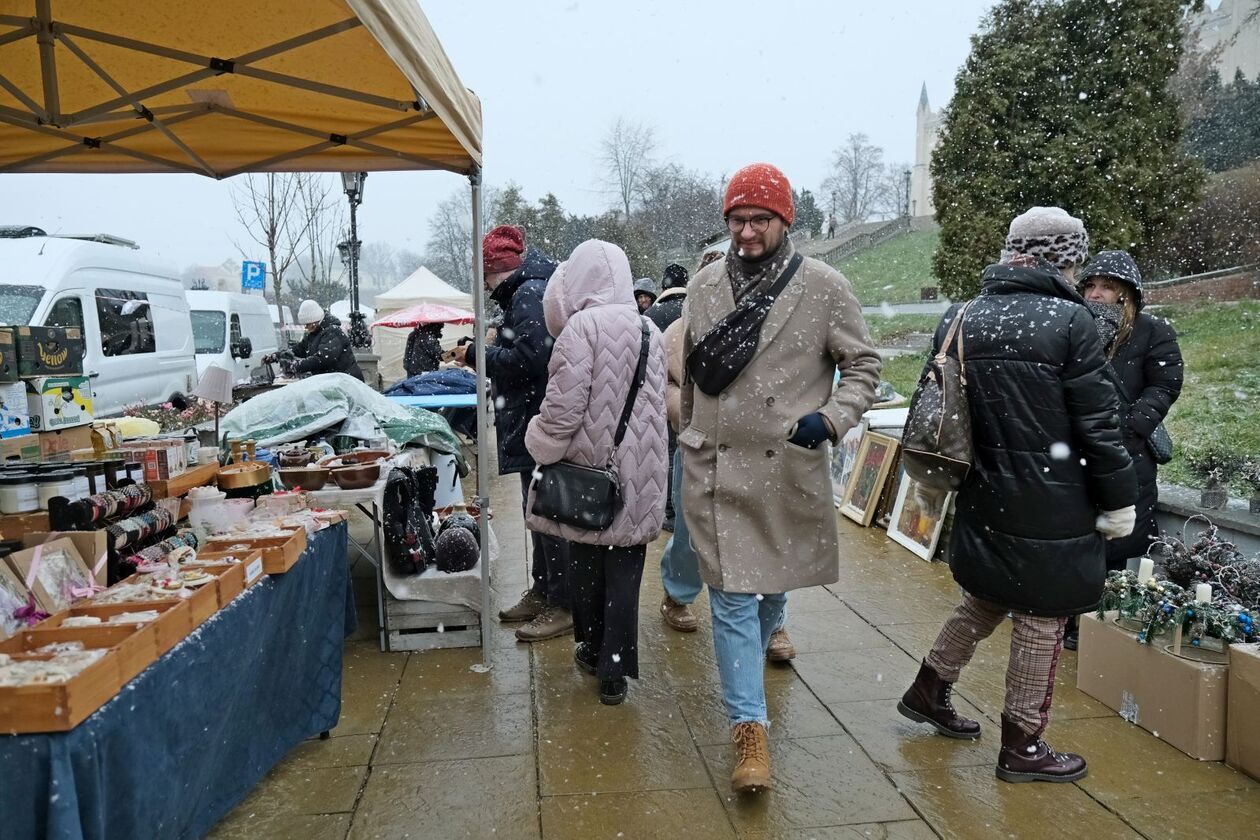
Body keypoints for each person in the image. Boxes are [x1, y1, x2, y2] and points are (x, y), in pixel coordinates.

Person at [898, 207, 1137, 785]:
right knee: (1043, 617)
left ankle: (928, 688)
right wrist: (1118, 498)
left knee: (986, 595)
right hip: (1053, 497)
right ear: (1066, 258)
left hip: (983, 490)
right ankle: (1023, 744)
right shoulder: (1073, 322)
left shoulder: (963, 315)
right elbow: (1099, 427)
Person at [680, 163, 881, 792]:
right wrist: (687, 431)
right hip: (715, 469)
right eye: (737, 219)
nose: (746, 231)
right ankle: (750, 731)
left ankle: (749, 684)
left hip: (785, 465)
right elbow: (691, 371)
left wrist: (833, 418)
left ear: (783, 221)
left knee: (769, 592)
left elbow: (864, 364)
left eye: (758, 219)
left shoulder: (824, 285)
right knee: (734, 597)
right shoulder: (705, 285)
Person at [524, 239, 667, 706]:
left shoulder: (581, 327)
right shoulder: (651, 329)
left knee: (587, 562)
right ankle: (616, 669)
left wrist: (538, 442)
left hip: (591, 470)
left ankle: (590, 646)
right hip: (642, 471)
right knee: (625, 569)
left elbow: (563, 410)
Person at [453, 225, 572, 642]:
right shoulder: (530, 290)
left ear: (496, 270)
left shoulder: (526, 293)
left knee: (546, 514)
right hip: (534, 418)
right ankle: (545, 590)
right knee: (537, 512)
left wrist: (476, 354)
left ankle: (561, 602)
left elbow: (531, 359)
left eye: (484, 276)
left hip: (537, 420)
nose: (484, 286)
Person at [1062, 250, 1183, 649]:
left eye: (1107, 287)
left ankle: (1095, 624)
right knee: (1072, 537)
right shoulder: (1071, 326)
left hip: (1129, 454)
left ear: (1126, 294)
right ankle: (1063, 619)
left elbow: (1165, 385)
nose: (1096, 294)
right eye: (1090, 286)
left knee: (1114, 543)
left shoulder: (1152, 332)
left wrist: (1131, 431)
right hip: (1076, 450)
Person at [645, 263, 689, 531]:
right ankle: (685, 514)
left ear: (663, 286)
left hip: (660, 391)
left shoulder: (651, 314)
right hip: (695, 394)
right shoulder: (696, 309)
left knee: (667, 453)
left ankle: (669, 510)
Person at [275, 300, 364, 380]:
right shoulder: (315, 333)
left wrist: (297, 366)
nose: (306, 327)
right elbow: (301, 348)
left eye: (308, 324)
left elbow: (323, 358)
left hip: (347, 382)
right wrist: (279, 355)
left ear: (315, 321)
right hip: (335, 381)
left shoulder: (332, 331)